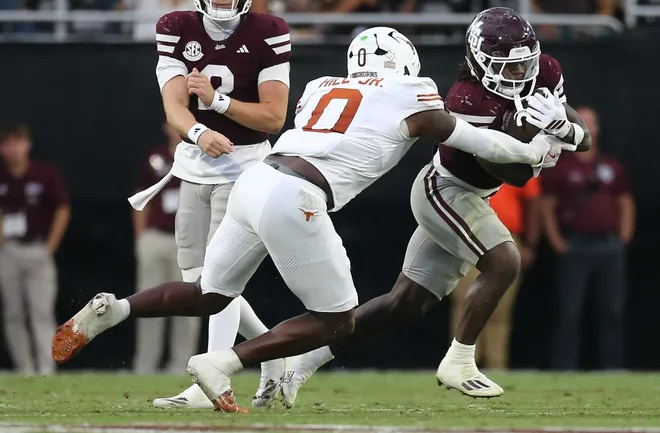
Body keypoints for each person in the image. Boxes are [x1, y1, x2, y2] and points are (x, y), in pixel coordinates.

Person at [53, 25, 558, 412]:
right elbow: (476, 141)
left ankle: (114, 309)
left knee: (211, 293)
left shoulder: (321, 86)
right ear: (407, 63)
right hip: (297, 195)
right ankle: (225, 362)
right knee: (336, 320)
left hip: (257, 178)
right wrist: (533, 149)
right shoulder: (412, 91)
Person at [279, 7, 593, 405]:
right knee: (504, 261)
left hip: (476, 196)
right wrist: (541, 149)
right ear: (480, 62)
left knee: (403, 304)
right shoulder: (465, 97)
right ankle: (460, 360)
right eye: (506, 67)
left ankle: (301, 362)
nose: (520, 75)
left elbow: (582, 140)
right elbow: (512, 173)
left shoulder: (545, 70)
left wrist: (566, 129)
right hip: (444, 189)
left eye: (524, 64)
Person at [126, 0, 292, 408]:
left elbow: (274, 117)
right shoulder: (175, 26)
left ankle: (210, 383)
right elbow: (174, 106)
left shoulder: (270, 30)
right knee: (198, 282)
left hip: (245, 166)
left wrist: (219, 103)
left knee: (219, 279)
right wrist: (200, 133)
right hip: (193, 165)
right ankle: (276, 354)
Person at [542, 106, 634, 370]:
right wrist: (557, 241)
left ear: (598, 129)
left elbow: (625, 201)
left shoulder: (610, 166)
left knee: (612, 311)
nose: (586, 127)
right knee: (570, 310)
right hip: (576, 245)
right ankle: (564, 367)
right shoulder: (561, 167)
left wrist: (624, 236)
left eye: (590, 123)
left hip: (608, 246)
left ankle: (613, 368)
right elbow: (546, 205)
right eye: (580, 122)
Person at [0, 123, 70, 375]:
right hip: (9, 250)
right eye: (8, 144)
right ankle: (25, 368)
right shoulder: (3, 177)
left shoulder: (44, 174)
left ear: (27, 145)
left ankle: (45, 368)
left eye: (18, 142)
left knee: (41, 311)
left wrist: (50, 245)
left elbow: (62, 208)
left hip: (38, 249)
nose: (14, 149)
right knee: (14, 313)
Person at [449, 179, 542, 371]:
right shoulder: (464, 157)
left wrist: (530, 244)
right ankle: (461, 366)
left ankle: (496, 366)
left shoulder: (520, 160)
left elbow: (533, 202)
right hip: (469, 236)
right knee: (465, 303)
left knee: (500, 307)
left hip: (506, 237)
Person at [133, 122, 202, 374]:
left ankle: (181, 366)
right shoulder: (155, 157)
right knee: (148, 302)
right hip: (156, 237)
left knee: (187, 304)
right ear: (166, 125)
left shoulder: (200, 156)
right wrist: (141, 236)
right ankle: (145, 365)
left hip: (188, 241)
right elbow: (141, 196)